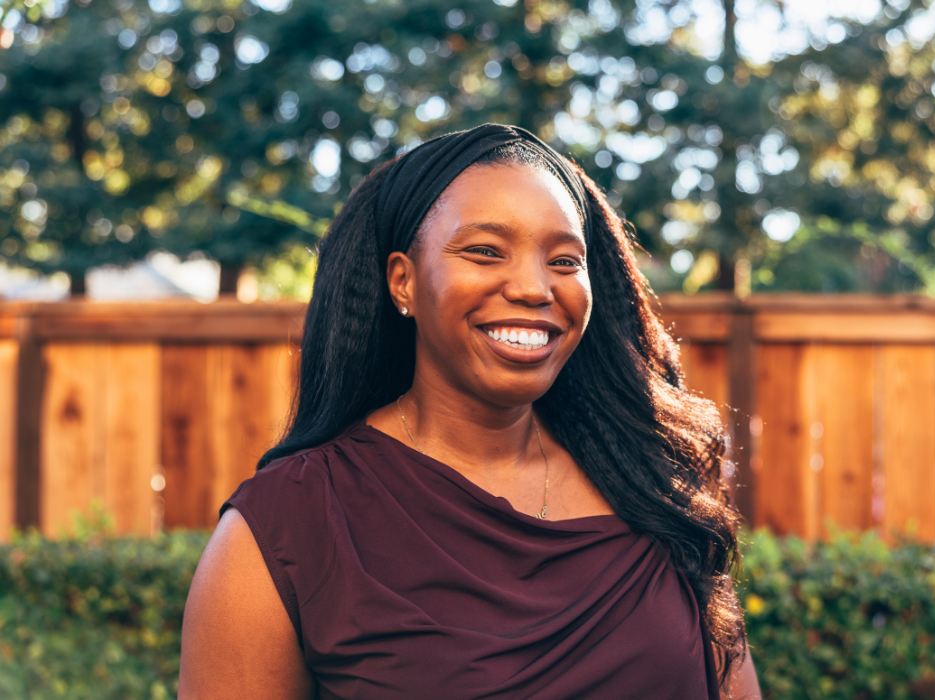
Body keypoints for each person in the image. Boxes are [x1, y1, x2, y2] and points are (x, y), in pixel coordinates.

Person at [179, 124, 760, 700]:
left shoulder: (652, 486)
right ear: (402, 280)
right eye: (485, 251)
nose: (534, 287)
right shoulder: (288, 524)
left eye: (563, 260)